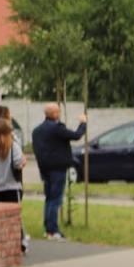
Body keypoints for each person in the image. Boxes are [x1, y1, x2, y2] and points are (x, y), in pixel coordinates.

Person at [31, 103, 87, 241]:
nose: (60, 113)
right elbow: (76, 135)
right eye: (58, 111)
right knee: (56, 199)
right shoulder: (57, 128)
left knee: (49, 198)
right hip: (58, 169)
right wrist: (83, 123)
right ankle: (53, 230)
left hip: (45, 168)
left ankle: (48, 228)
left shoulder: (37, 131)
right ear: (54, 113)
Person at [0, 117, 27, 254]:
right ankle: (20, 243)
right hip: (12, 187)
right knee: (15, 218)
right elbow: (18, 163)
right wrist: (23, 161)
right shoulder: (13, 146)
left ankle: (0, 244)